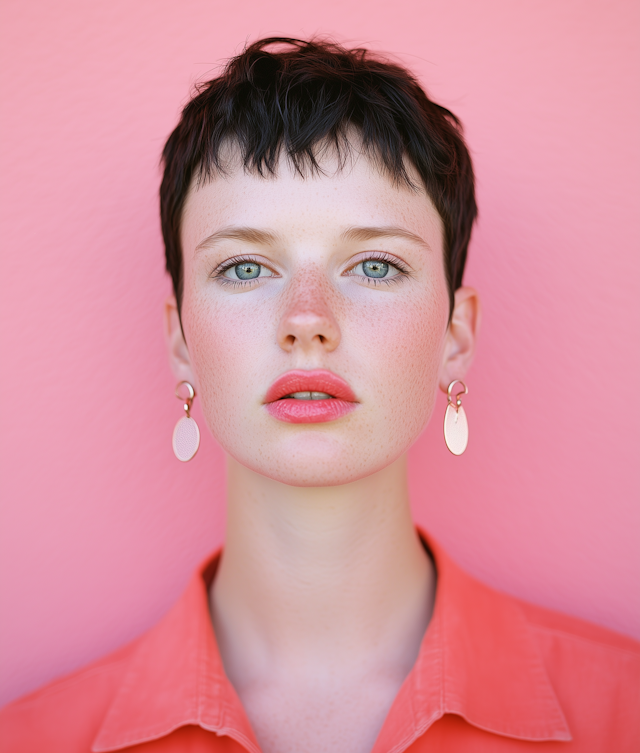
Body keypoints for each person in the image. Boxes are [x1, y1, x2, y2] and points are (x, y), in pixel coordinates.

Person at [1, 37, 638, 753]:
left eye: (374, 264)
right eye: (245, 267)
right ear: (181, 340)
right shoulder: (30, 739)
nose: (308, 320)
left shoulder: (624, 715)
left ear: (455, 336)